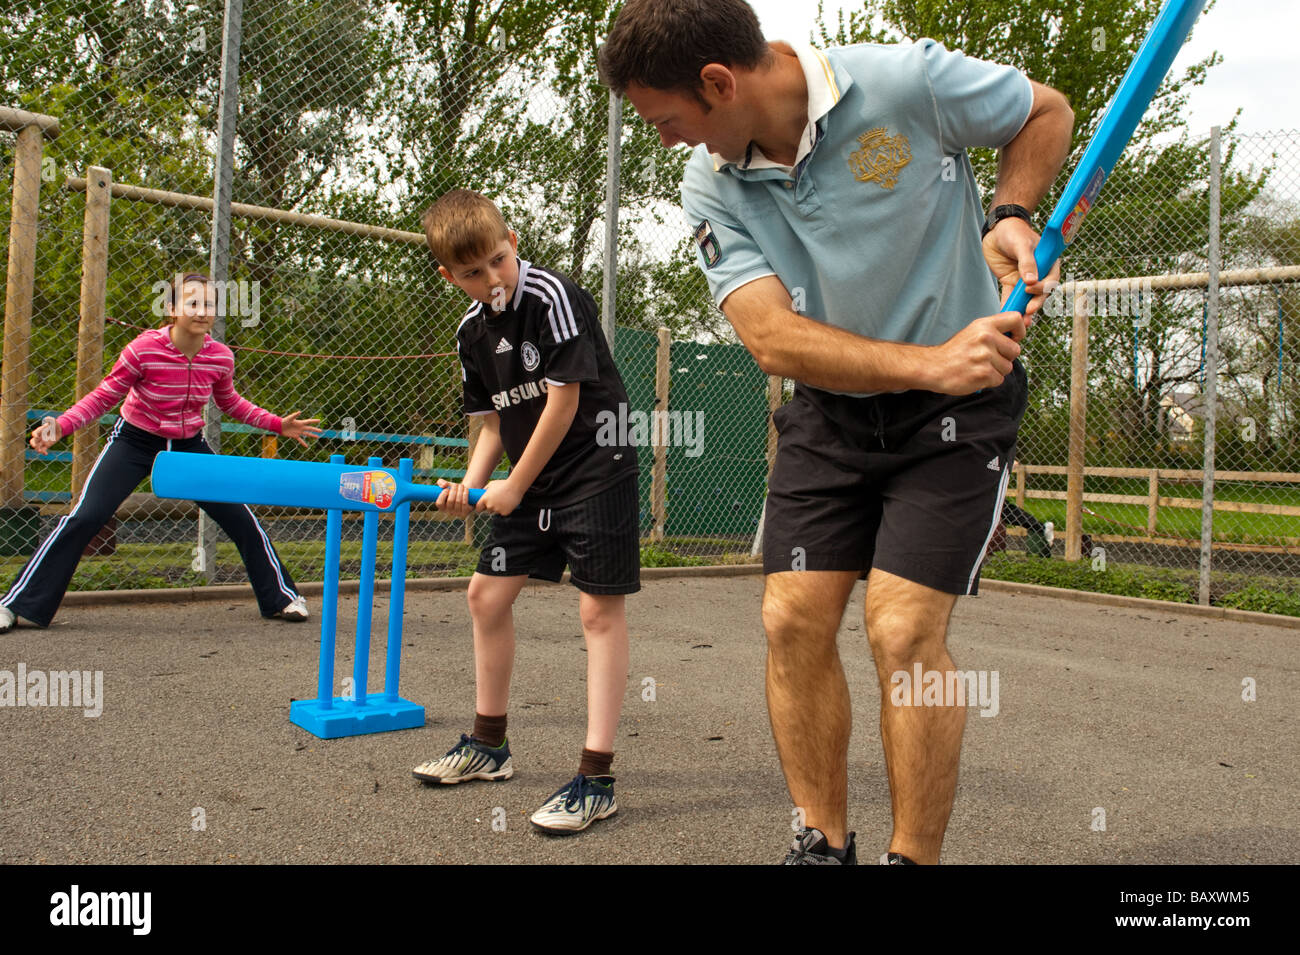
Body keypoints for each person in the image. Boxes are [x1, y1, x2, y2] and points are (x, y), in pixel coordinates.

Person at [599, 0, 1073, 863]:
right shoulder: (712, 181)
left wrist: (1009, 209)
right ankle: (822, 842)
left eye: (667, 119)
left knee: (901, 629)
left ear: (719, 82)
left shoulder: (903, 83)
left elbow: (1045, 109)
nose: (666, 140)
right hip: (835, 409)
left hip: (957, 415)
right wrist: (928, 362)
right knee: (792, 618)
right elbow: (771, 337)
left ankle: (912, 857)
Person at [411, 190, 640, 835]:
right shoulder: (471, 333)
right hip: (527, 479)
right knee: (485, 598)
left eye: (498, 259)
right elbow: (489, 427)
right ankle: (489, 746)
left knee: (596, 609)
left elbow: (562, 404)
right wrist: (470, 485)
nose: (491, 278)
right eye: (472, 272)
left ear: (512, 240)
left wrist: (512, 485)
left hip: (596, 466)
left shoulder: (553, 295)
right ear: (448, 277)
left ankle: (596, 778)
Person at [1, 273, 321, 633]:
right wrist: (61, 425)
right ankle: (15, 605)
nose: (202, 311)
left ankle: (282, 598)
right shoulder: (143, 349)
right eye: (192, 302)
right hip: (134, 442)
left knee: (240, 518)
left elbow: (229, 401)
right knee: (85, 516)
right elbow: (104, 396)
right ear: (172, 308)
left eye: (210, 304)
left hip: (188, 447)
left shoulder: (220, 357)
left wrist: (277, 424)